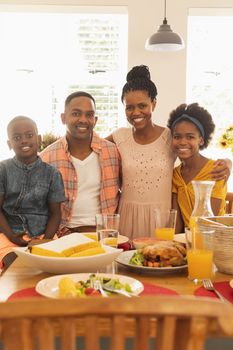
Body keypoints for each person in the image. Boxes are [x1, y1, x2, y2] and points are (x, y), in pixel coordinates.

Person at [106, 65, 231, 239]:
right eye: (129, 107)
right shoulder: (119, 136)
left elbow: (193, 148)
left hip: (162, 217)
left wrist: (228, 162)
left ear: (154, 104)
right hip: (128, 215)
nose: (136, 112)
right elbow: (93, 150)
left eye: (142, 105)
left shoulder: (170, 136)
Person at [40, 91, 120, 235]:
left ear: (95, 120)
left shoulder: (113, 152)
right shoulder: (47, 157)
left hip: (105, 234)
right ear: (63, 118)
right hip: (63, 236)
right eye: (76, 113)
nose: (83, 119)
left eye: (89, 115)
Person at [0, 116, 65, 269]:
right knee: (16, 266)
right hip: (9, 234)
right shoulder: (2, 170)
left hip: (44, 234)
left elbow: (56, 214)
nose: (24, 140)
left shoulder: (52, 174)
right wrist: (11, 236)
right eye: (17, 137)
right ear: (10, 144)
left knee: (49, 266)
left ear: (39, 139)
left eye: (29, 135)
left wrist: (45, 240)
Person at [167, 103, 227, 233]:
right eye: (177, 137)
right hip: (186, 240)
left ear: (201, 140)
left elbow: (211, 221)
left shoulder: (215, 170)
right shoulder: (175, 175)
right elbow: (177, 223)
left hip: (213, 240)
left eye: (190, 137)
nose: (183, 142)